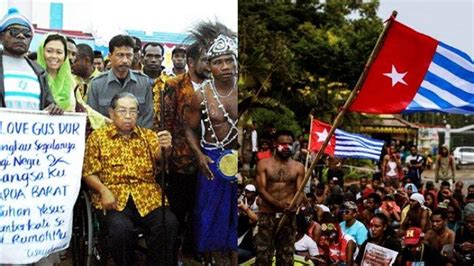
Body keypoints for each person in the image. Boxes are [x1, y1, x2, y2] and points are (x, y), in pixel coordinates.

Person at [82, 92, 178, 265]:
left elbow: (160, 157)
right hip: (114, 197)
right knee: (121, 230)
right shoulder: (97, 137)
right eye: (122, 111)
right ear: (111, 113)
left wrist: (167, 147)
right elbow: (89, 172)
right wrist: (103, 190)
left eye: (133, 111)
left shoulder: (148, 136)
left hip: (147, 197)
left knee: (168, 223)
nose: (128, 116)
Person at [184, 22, 239, 265]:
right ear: (210, 66)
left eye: (229, 60)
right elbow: (189, 127)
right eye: (218, 62)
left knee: (234, 215)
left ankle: (232, 256)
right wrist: (199, 155)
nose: (225, 66)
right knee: (207, 215)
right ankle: (208, 259)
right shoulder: (202, 95)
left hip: (236, 159)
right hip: (211, 158)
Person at [255, 130, 305, 265]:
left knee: (286, 256)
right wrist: (279, 205)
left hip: (288, 216)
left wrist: (294, 206)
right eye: (283, 144)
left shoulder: (298, 167)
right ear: (275, 144)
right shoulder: (263, 164)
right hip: (268, 215)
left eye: (289, 144)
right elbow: (261, 190)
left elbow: (300, 191)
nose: (286, 147)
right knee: (263, 256)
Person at [0, 8, 62, 114]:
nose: (21, 36)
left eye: (27, 34)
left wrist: (54, 108)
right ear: (1, 36)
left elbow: (48, 104)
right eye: (14, 31)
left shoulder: (39, 72)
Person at [87, 34, 154, 128]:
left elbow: (148, 118)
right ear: (110, 56)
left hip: (137, 139)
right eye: (120, 55)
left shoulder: (143, 82)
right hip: (106, 139)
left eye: (129, 55)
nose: (125, 60)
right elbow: (93, 118)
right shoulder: (97, 84)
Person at [36, 33, 76, 111]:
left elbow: (82, 106)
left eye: (59, 52)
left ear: (65, 56)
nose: (54, 56)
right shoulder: (34, 79)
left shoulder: (71, 81)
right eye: (49, 51)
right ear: (42, 52)